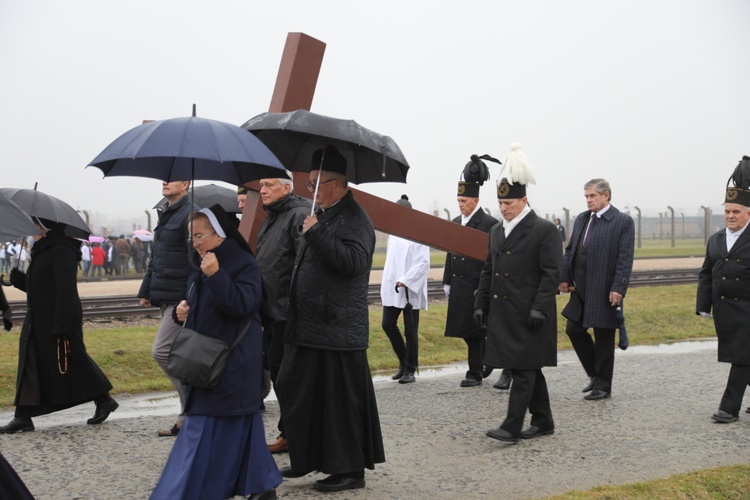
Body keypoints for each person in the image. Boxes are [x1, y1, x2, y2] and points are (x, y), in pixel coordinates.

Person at [150, 206, 281, 500]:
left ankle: (181, 493)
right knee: (241, 426)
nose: (194, 242)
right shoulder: (201, 262)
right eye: (191, 236)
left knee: (200, 431)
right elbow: (203, 311)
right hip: (209, 360)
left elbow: (241, 305)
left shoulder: (243, 263)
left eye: (199, 235)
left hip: (230, 363)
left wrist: (217, 275)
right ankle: (261, 486)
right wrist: (182, 313)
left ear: (219, 233)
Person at [276, 145, 385, 493]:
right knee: (304, 395)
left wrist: (316, 233)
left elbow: (354, 263)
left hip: (336, 329)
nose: (312, 191)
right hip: (311, 326)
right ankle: (309, 459)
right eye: (309, 184)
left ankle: (349, 470)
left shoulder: (355, 218)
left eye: (317, 184)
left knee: (340, 406)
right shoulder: (321, 214)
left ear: (338, 183)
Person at [474, 144, 561, 444]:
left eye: (509, 203)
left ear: (524, 200)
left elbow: (552, 273)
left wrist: (540, 307)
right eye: (500, 203)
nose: (504, 208)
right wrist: (480, 302)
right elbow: (489, 270)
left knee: (523, 370)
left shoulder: (543, 230)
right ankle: (543, 419)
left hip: (531, 315)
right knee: (528, 367)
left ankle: (512, 426)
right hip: (505, 315)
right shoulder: (497, 232)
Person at [0, 218, 118, 434]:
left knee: (72, 358)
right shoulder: (42, 249)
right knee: (30, 361)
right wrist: (20, 281)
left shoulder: (61, 250)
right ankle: (23, 416)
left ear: (42, 226)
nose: (28, 229)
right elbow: (41, 288)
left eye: (31, 224)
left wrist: (61, 326)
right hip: (39, 317)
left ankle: (104, 399)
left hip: (60, 317)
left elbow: (66, 291)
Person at [559, 178, 634, 400]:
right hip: (581, 288)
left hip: (605, 289)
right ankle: (594, 374)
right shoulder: (582, 219)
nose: (588, 200)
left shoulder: (622, 222)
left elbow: (625, 258)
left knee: (603, 336)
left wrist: (618, 288)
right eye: (586, 196)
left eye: (592, 196)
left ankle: (603, 386)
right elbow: (570, 250)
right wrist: (564, 277)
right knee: (574, 329)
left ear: (606, 195)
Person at [254, 170, 311, 455]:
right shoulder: (272, 217)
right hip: (270, 314)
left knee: (288, 378)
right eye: (262, 185)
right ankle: (290, 430)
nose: (263, 190)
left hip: (288, 315)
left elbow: (305, 265)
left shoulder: (298, 215)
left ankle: (294, 434)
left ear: (287, 187)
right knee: (279, 376)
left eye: (269, 185)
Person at [138, 180, 195, 437]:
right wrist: (146, 290)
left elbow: (194, 259)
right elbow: (157, 257)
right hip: (166, 297)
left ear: (186, 183)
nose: (164, 181)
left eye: (171, 177)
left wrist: (189, 298)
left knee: (162, 351)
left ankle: (194, 408)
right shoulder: (165, 213)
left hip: (179, 300)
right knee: (179, 356)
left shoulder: (190, 213)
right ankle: (188, 415)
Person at [697, 155, 750, 423]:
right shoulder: (715, 239)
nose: (730, 216)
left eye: (736, 212)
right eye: (727, 211)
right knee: (744, 356)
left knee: (741, 358)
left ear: (748, 214)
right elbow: (706, 274)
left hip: (748, 310)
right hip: (725, 310)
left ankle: (729, 409)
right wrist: (702, 305)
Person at [443, 154, 499, 387]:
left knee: (474, 331)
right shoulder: (456, 221)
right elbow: (449, 252)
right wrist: (447, 281)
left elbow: (492, 259)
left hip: (476, 285)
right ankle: (486, 360)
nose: (460, 205)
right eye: (458, 201)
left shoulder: (488, 224)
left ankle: (475, 372)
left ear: (475, 201)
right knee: (464, 330)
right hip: (458, 284)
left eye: (464, 201)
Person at [380, 195, 431, 384]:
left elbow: (423, 262)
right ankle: (403, 360)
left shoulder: (418, 233)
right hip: (393, 289)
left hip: (409, 289)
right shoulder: (393, 233)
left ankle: (410, 369)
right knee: (387, 324)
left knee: (411, 330)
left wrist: (406, 280)